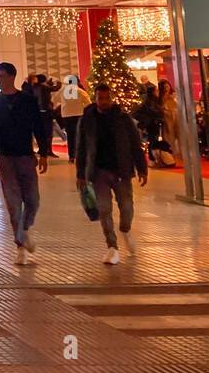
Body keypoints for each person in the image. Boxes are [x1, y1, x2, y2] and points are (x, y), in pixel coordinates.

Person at [0, 62, 50, 266]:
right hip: (5, 158)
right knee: (13, 204)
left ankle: (25, 229)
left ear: (12, 77)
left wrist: (44, 153)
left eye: (1, 76)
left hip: (26, 157)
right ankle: (20, 245)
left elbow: (38, 128)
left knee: (33, 200)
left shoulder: (27, 101)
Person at [76, 83, 149, 265]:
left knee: (126, 207)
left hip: (121, 170)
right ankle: (112, 246)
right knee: (104, 209)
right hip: (98, 171)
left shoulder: (123, 118)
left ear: (112, 98)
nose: (104, 102)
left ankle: (125, 229)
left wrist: (142, 168)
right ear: (95, 98)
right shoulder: (87, 119)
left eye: (107, 98)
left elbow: (135, 144)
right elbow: (81, 148)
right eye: (100, 98)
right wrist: (80, 174)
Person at [60, 75, 91, 162]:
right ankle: (80, 155)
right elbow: (88, 103)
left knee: (70, 136)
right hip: (78, 115)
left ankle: (71, 156)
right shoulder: (80, 91)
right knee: (79, 135)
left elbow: (54, 100)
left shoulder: (63, 91)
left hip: (66, 115)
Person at [156, 79, 180, 167]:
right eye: (165, 87)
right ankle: (169, 156)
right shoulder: (160, 98)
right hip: (166, 119)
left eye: (168, 86)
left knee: (176, 136)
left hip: (174, 117)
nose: (167, 88)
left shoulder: (172, 96)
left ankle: (175, 156)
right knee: (168, 137)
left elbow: (175, 107)